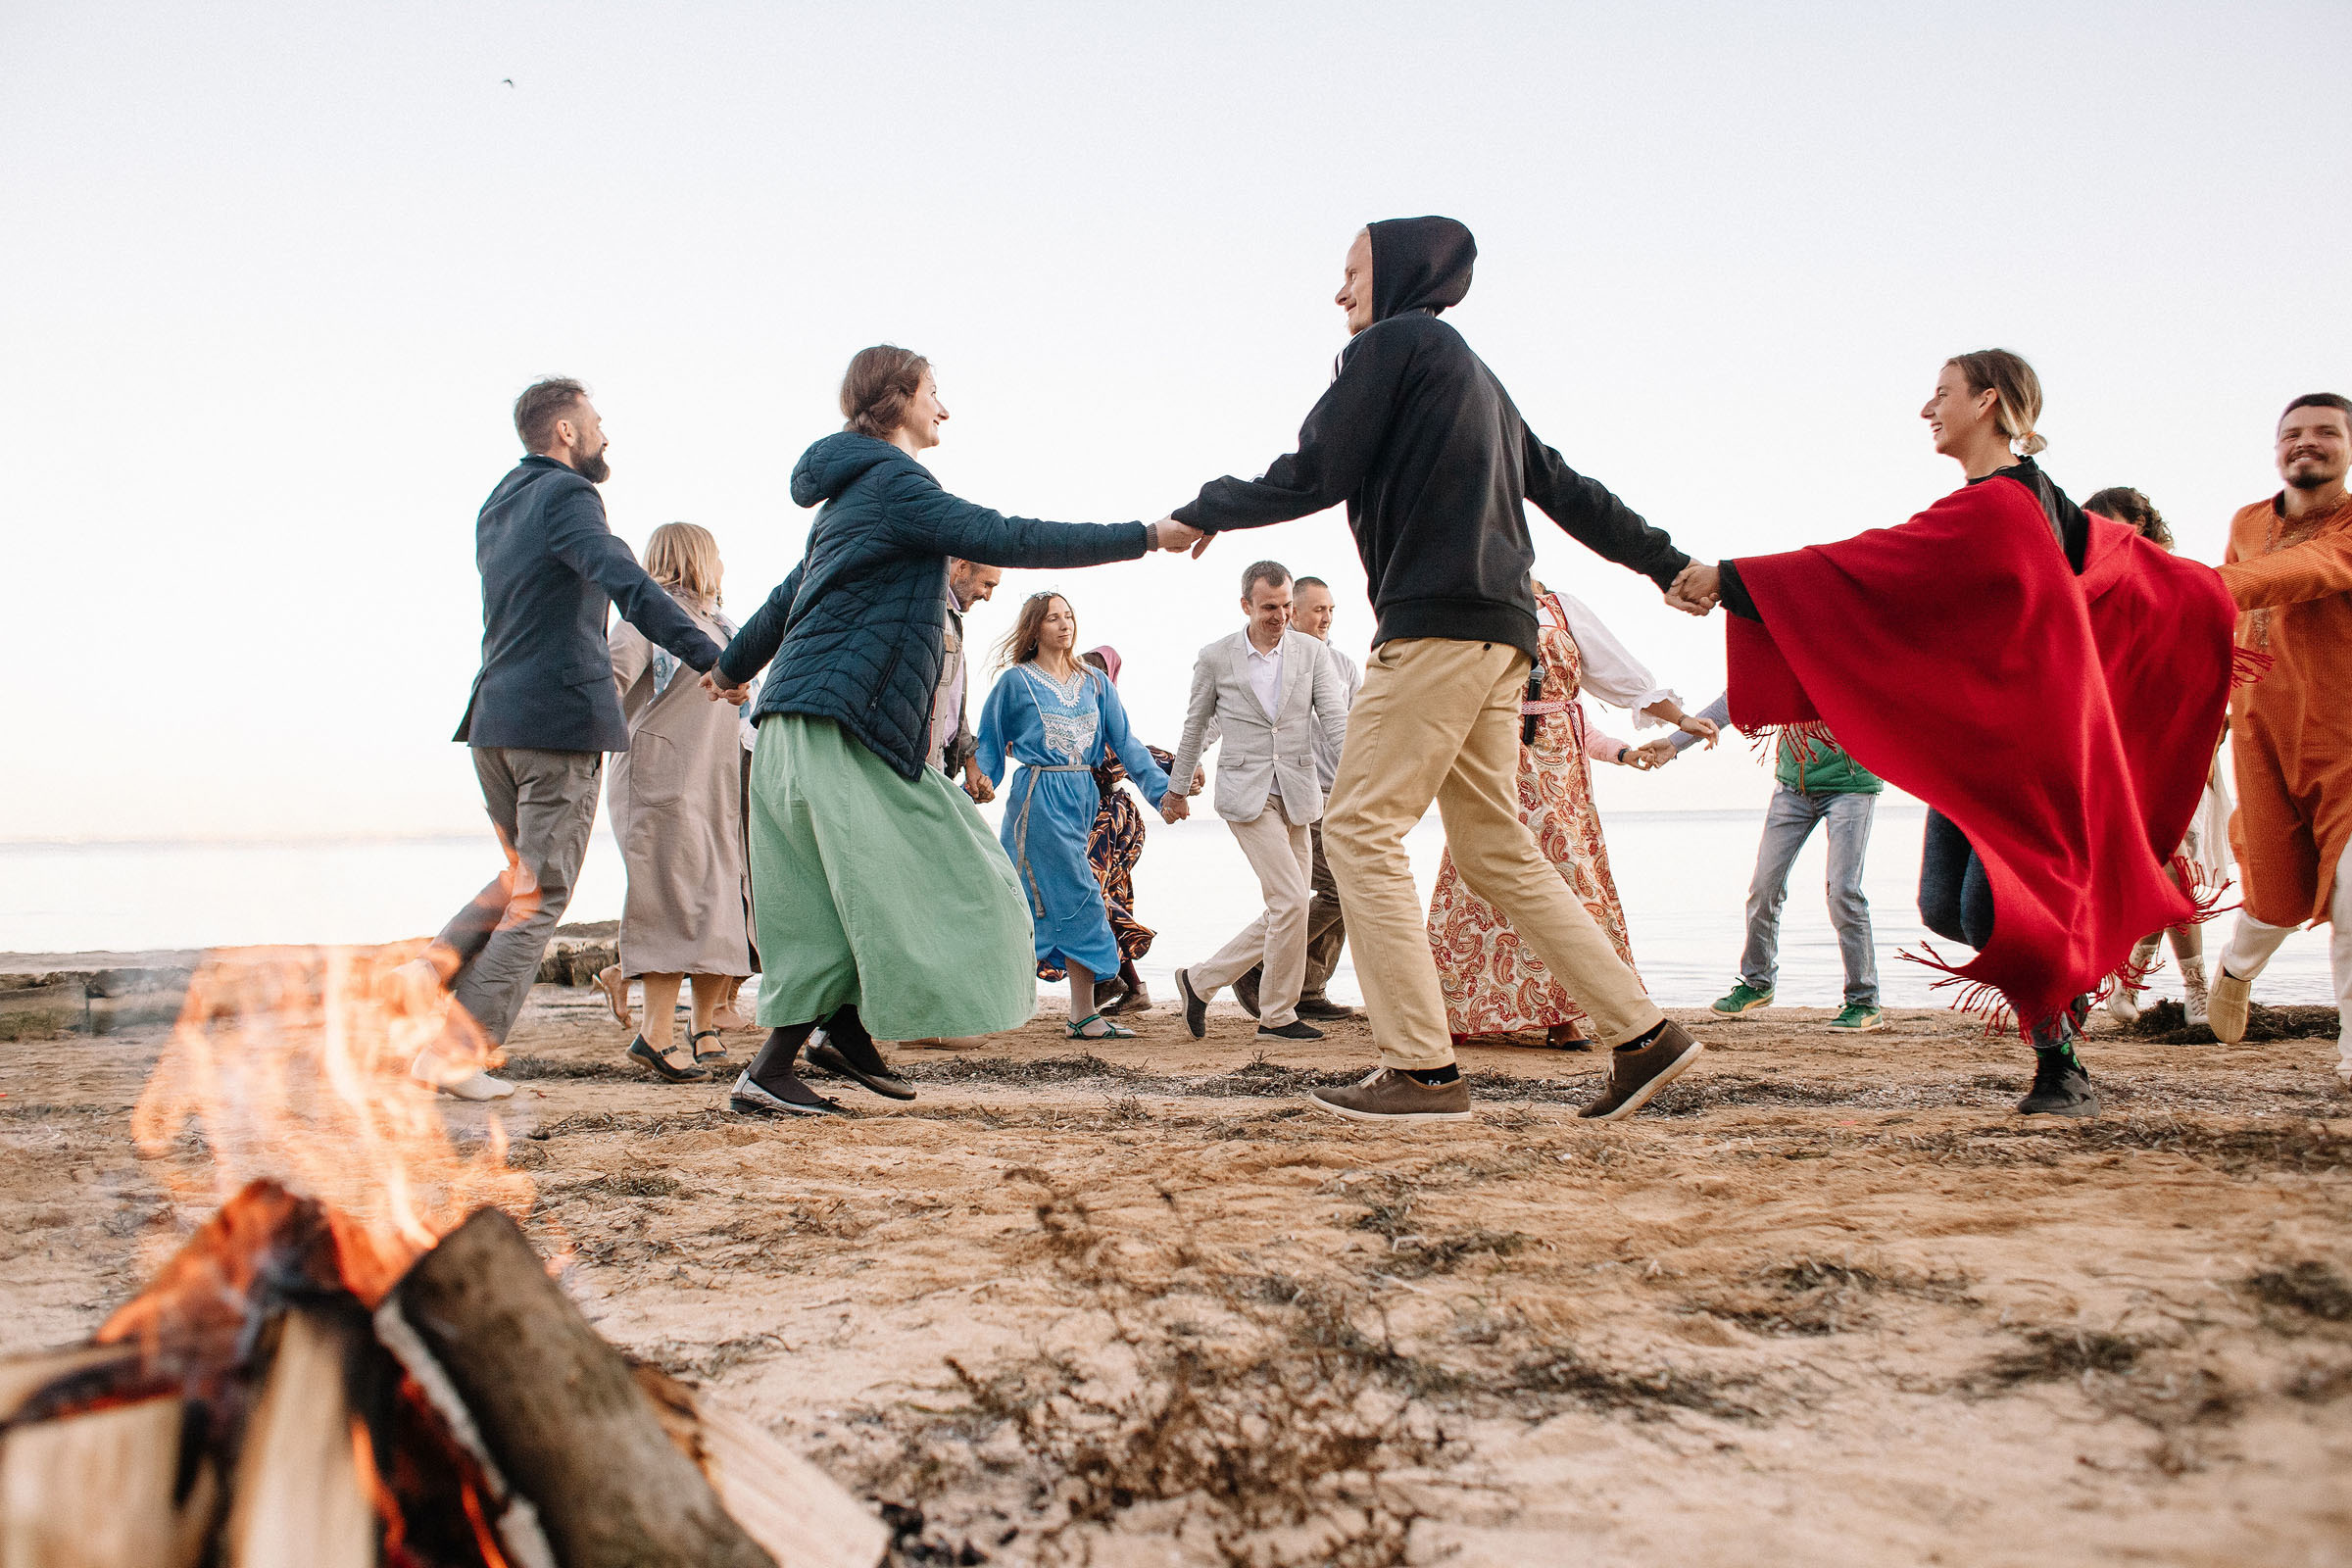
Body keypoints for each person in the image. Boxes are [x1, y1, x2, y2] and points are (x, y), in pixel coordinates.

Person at [1163, 217, 1709, 1124]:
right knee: (1495, 848)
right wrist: (1666, 563)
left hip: (1435, 628)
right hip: (1506, 634)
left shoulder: (1395, 343)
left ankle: (1420, 1070)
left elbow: (1317, 468)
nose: (1339, 293)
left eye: (1351, 273)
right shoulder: (1477, 377)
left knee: (1360, 829)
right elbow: (1570, 491)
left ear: (1404, 273)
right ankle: (1645, 1035)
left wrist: (1206, 509)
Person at [1679, 350, 2236, 1118]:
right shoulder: (2026, 501)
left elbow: (1870, 565)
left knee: (1995, 916)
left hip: (2030, 754)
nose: (1926, 408)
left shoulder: (2002, 505)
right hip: (1985, 749)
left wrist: (1731, 578)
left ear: (1989, 402)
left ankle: (2061, 1068)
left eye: (1941, 393)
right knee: (1944, 905)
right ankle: (2064, 1002)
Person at [712, 347, 1200, 1117]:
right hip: (846, 725)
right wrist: (1146, 534)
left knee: (821, 904)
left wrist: (729, 664)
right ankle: (807, 1048)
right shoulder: (895, 482)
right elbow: (1005, 534)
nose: (945, 408)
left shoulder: (847, 497)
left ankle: (811, 1048)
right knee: (975, 874)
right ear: (900, 398)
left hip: (788, 725)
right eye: (935, 393)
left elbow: (786, 595)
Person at [398, 378, 743, 1102]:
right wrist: (716, 658)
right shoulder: (568, 498)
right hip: (555, 726)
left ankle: (432, 964)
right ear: (563, 430)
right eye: (595, 422)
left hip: (494, 719)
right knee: (542, 895)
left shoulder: (500, 502)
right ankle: (456, 1054)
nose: (604, 435)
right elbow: (632, 585)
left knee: (520, 876)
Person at [1428, 579, 1716, 1051]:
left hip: (1561, 772)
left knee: (1567, 877)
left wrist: (1678, 722)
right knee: (1482, 871)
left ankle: (1565, 1013)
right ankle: (1461, 1006)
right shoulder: (1462, 604)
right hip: (1488, 750)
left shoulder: (1561, 608)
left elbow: (1619, 678)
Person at [2209, 394, 2352, 1089]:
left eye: (2326, 432)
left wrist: (2193, 585)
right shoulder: (2246, 522)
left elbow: (2314, 569)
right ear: (2276, 448)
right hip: (2262, 740)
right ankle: (2236, 968)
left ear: (2348, 448)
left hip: (2346, 744)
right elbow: (2225, 630)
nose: (2308, 443)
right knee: (2275, 897)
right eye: (2293, 433)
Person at [979, 594, 1185, 1041]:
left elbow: (1126, 743)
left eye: (1069, 616)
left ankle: (1079, 1014)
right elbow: (989, 747)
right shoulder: (1015, 683)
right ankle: (1071, 1013)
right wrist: (973, 788)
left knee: (1058, 905)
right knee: (1079, 897)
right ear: (1034, 629)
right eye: (1053, 618)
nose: (1064, 624)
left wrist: (1161, 794)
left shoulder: (1094, 682)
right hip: (1038, 800)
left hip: (1082, 799)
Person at [596, 522, 754, 1084]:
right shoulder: (647, 615)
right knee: (668, 897)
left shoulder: (724, 624)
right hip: (657, 775)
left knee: (719, 898)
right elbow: (609, 682)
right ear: (697, 557)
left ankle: (703, 1023)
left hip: (714, 776)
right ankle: (655, 1032)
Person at [1169, 561, 1352, 1042]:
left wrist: (1362, 777)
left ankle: (1203, 981)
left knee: (1289, 904)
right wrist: (1175, 787)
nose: (1281, 615)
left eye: (1287, 605)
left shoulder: (1313, 653)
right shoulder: (1216, 657)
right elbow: (1196, 725)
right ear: (1246, 605)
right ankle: (1276, 1015)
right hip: (1245, 794)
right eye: (1270, 607)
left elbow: (1335, 721)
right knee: (1291, 899)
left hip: (1299, 792)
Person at [2082, 488, 2229, 1028]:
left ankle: (2189, 988)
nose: (2099, 534)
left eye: (2109, 523)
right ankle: (2130, 983)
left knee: (2166, 866)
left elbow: (2210, 662)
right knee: (2149, 869)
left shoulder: (2184, 582)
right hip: (2118, 750)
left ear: (2140, 524)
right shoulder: (2100, 588)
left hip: (2176, 746)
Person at [1679, 690, 1887, 1033]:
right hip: (1792, 787)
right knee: (1763, 888)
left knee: (1843, 893)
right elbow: (1733, 700)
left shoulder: (1846, 650)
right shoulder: (1782, 659)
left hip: (1851, 787)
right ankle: (1758, 983)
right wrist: (1674, 744)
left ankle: (1864, 1002)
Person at [1232, 574, 1361, 1022]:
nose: (1324, 618)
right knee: (1340, 890)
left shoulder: (1343, 665)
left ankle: (1307, 987)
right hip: (1298, 794)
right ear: (1292, 610)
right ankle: (1257, 967)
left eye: (1330, 610)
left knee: (1342, 891)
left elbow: (1356, 729)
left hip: (1340, 796)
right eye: (1316, 609)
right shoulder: (1272, 663)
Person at [1034, 645, 1188, 1018]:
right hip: (1092, 819)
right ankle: (1128, 985)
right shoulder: (1070, 717)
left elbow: (1132, 753)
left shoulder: (1100, 722)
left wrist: (1182, 768)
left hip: (1107, 822)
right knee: (1097, 896)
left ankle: (1110, 981)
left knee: (1086, 896)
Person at [935, 558, 1003, 800]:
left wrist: (969, 762)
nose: (988, 596)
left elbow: (951, 705)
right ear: (961, 568)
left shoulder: (951, 620)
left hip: (938, 765)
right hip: (917, 768)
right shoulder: (929, 615)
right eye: (987, 584)